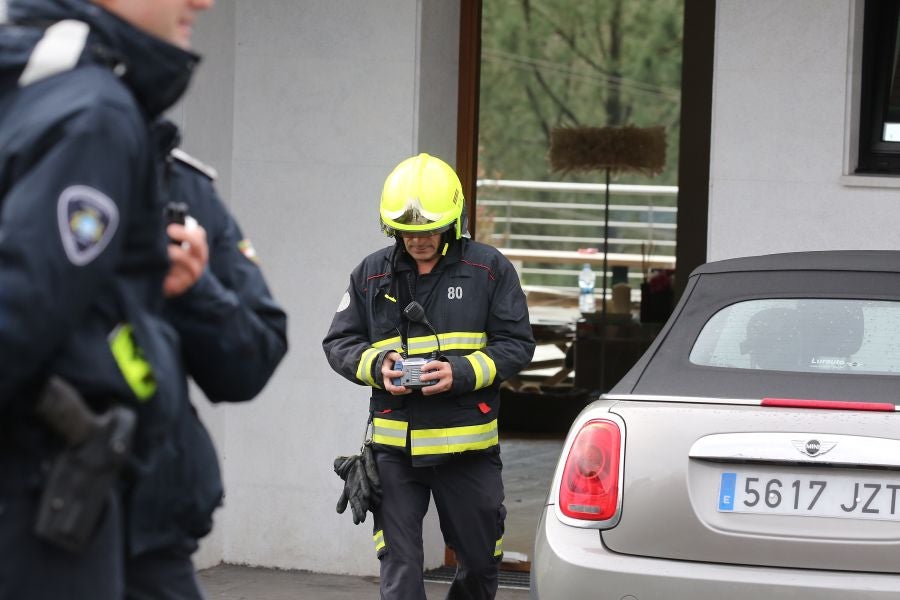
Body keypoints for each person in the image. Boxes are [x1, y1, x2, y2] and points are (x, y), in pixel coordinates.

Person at [0, 0, 212, 598]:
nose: (203, 2)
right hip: (43, 497)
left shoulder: (32, 86)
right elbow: (21, 307)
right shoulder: (94, 111)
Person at [323, 153, 535, 600]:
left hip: (467, 449)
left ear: (453, 221)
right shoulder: (370, 274)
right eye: (408, 232)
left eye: (429, 231)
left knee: (479, 565)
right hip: (394, 453)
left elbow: (517, 345)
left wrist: (459, 372)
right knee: (400, 571)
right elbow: (338, 344)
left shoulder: (488, 270)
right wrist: (377, 368)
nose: (418, 241)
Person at [120, 119, 289, 600]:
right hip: (32, 524)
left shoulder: (182, 185)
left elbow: (255, 357)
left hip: (153, 536)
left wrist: (199, 291)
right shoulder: (26, 153)